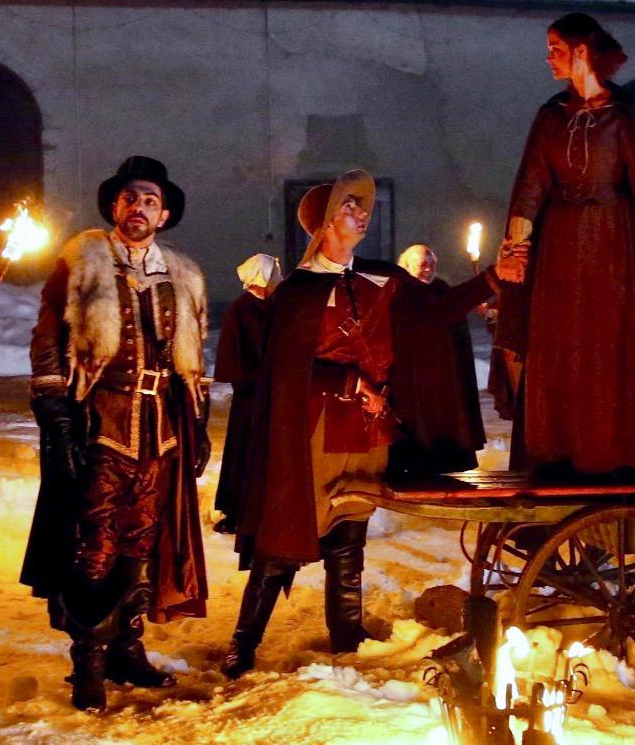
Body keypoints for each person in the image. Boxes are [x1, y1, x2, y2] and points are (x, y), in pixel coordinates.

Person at [224, 170, 508, 679]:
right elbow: (286, 371)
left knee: (350, 530)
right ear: (325, 224)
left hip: (367, 429)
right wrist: (352, 381)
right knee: (285, 533)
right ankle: (244, 644)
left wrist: (491, 278)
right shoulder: (297, 292)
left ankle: (347, 633)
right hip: (313, 429)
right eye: (348, 207)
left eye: (361, 206)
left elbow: (437, 312)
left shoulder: (383, 278)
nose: (361, 214)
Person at [21, 156, 210, 711]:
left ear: (164, 214)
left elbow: (191, 359)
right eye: (130, 198)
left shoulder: (183, 276)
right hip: (99, 423)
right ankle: (89, 664)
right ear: (113, 206)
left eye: (150, 201)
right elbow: (48, 342)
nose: (139, 208)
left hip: (161, 430)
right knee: (94, 546)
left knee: (142, 543)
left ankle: (128, 649)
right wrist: (57, 420)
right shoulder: (81, 263)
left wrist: (197, 424)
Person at [496, 12, 635, 477]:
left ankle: (615, 451)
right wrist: (515, 249)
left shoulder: (622, 115)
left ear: (581, 51)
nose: (549, 57)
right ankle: (557, 450)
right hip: (559, 248)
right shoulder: (551, 116)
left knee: (609, 344)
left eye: (556, 49)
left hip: (612, 243)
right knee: (560, 345)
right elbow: (531, 186)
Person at [388, 244, 486, 475]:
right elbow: (437, 313)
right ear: (407, 266)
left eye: (432, 264)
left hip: (446, 371)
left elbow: (452, 313)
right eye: (423, 264)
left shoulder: (440, 288)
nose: (428, 269)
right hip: (415, 374)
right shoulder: (402, 292)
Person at [212, 253, 280, 534]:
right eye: (275, 274)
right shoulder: (241, 309)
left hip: (273, 394)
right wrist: (248, 383)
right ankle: (236, 511)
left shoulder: (276, 307)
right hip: (250, 397)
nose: (279, 279)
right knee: (243, 453)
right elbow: (233, 352)